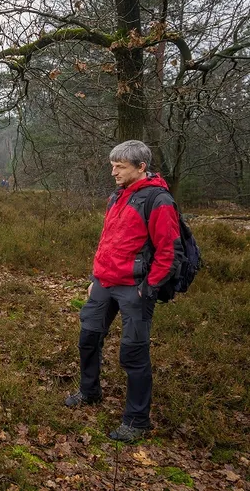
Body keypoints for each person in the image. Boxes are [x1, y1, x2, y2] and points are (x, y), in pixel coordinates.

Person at [65, 140, 183, 442]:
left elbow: (169, 252)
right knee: (88, 338)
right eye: (112, 165)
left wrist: (148, 288)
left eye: (121, 166)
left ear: (141, 167)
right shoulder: (116, 197)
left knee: (133, 353)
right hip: (104, 283)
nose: (114, 171)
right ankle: (90, 391)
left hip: (135, 289)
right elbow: (108, 240)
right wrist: (96, 276)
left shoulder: (159, 201)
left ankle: (137, 420)